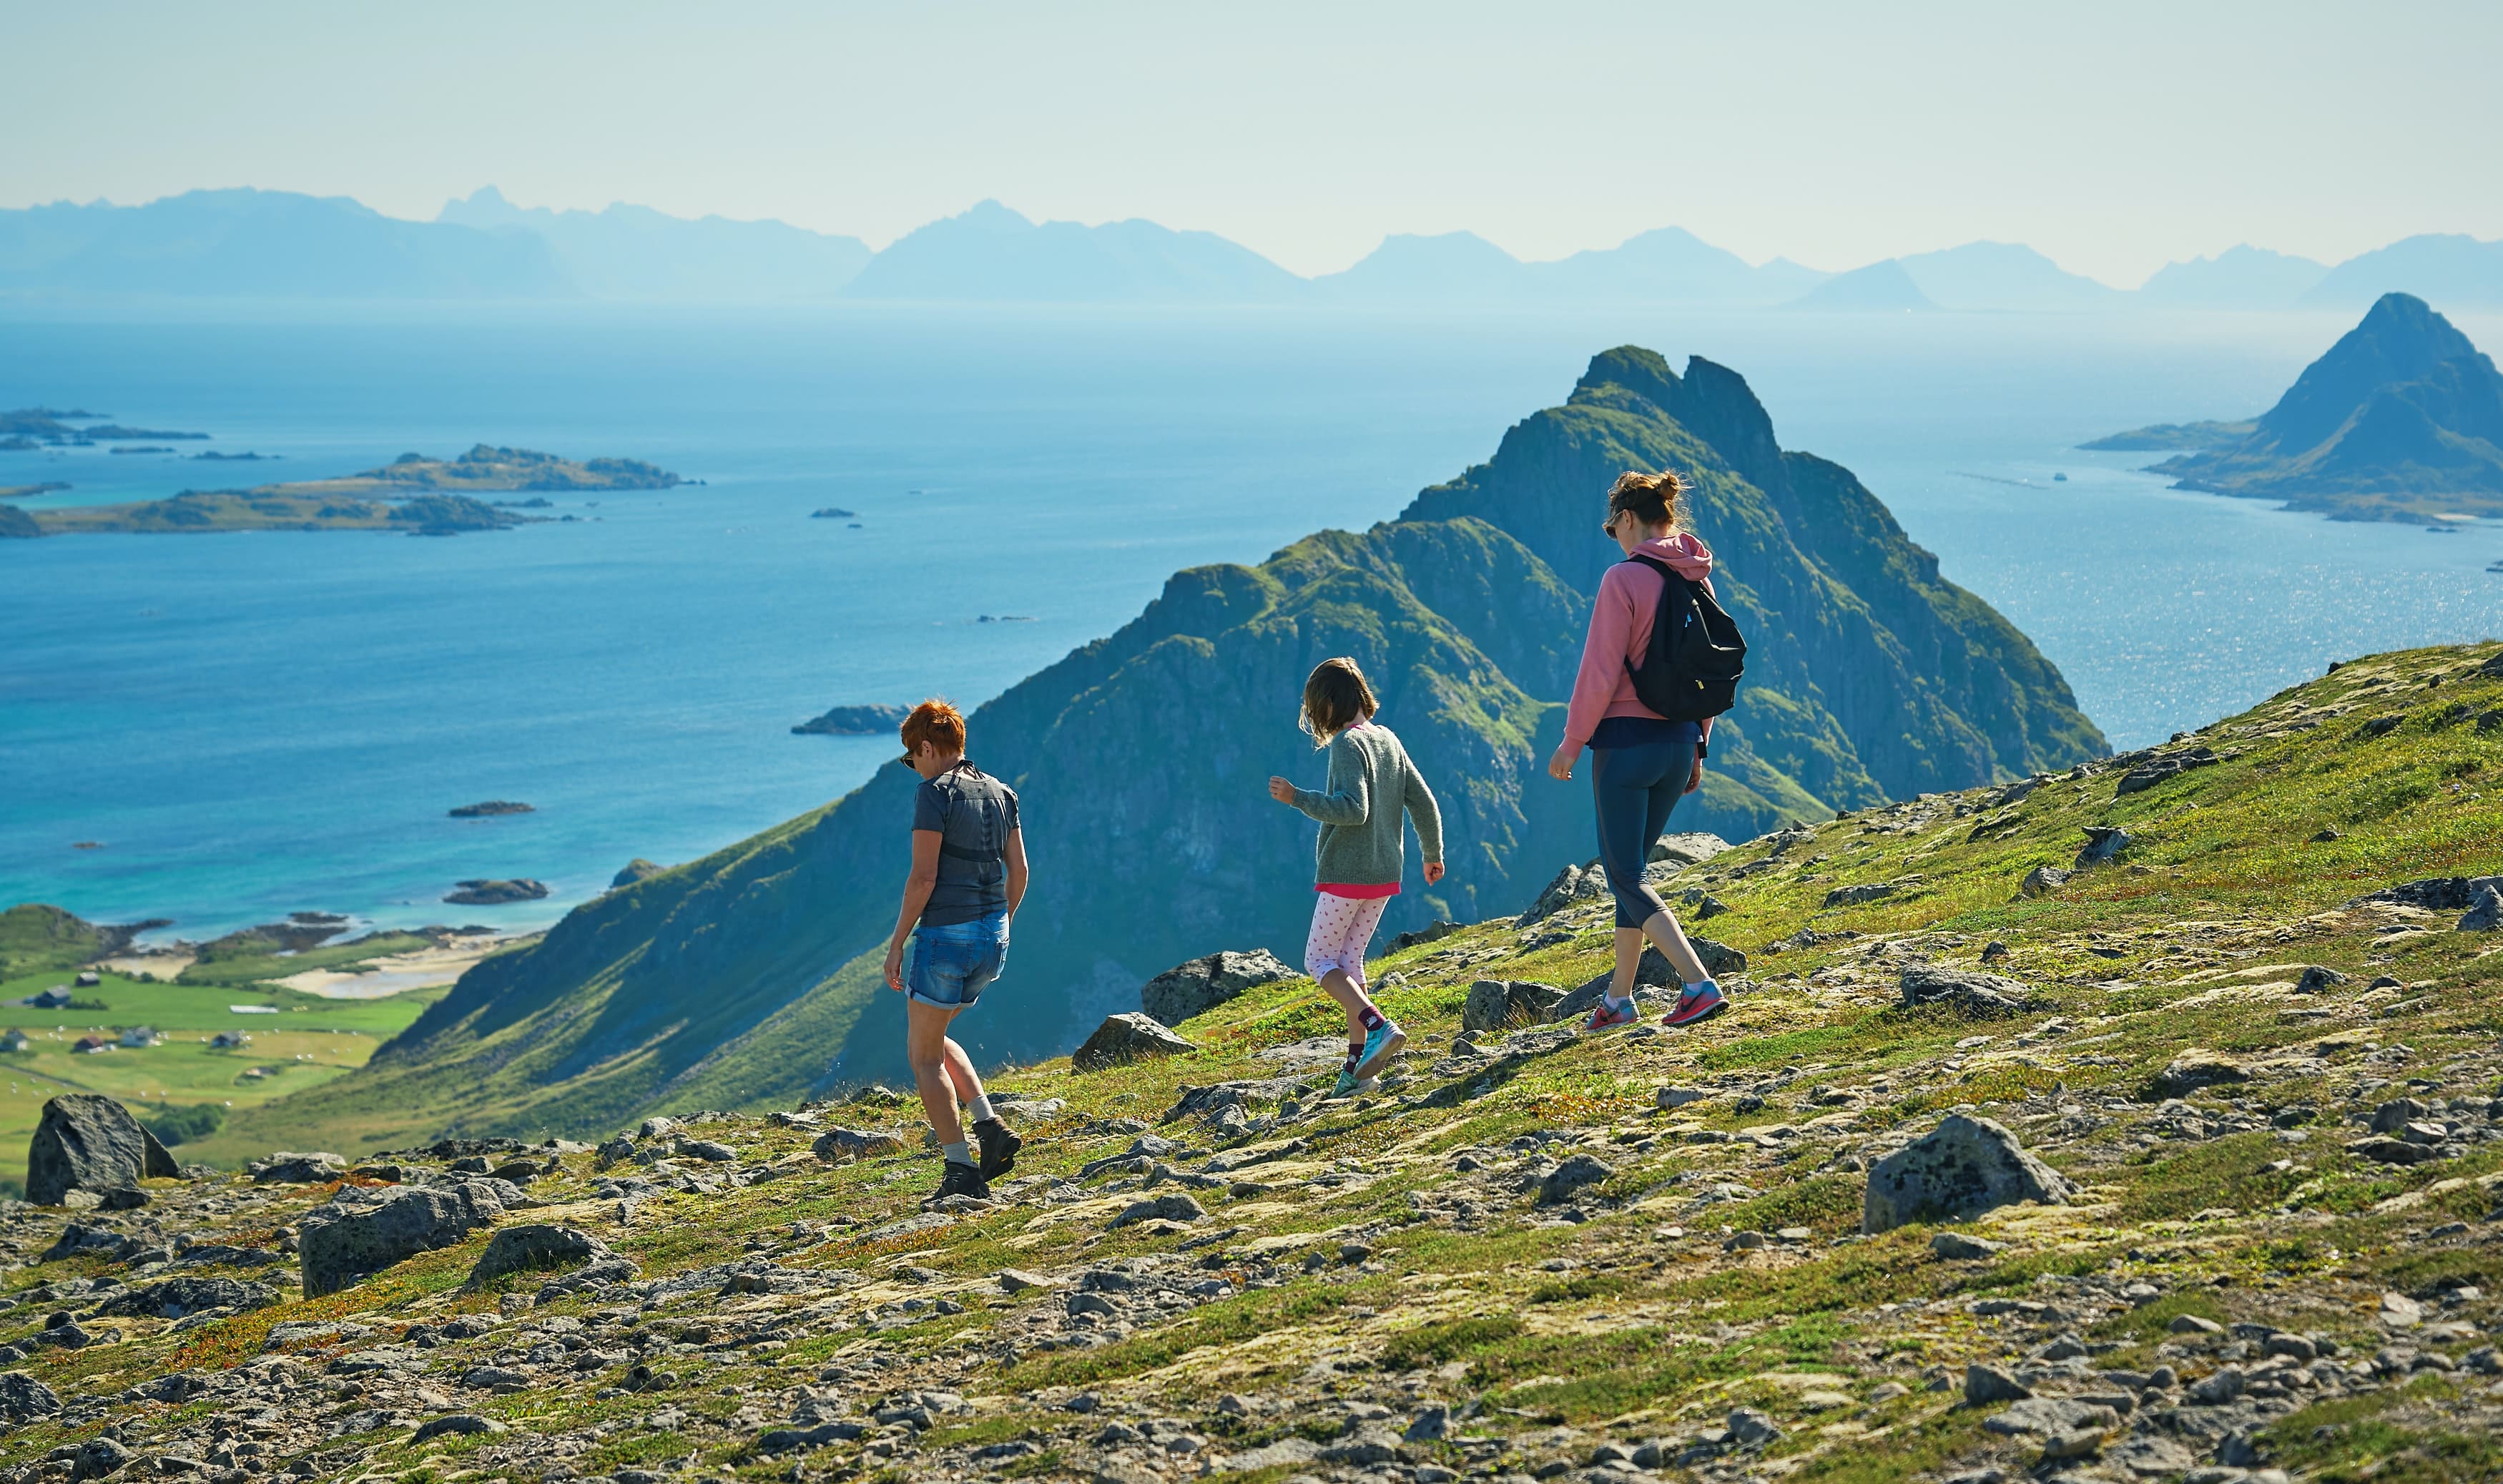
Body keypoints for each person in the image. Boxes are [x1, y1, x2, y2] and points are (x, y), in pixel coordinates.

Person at [1546, 470, 1729, 1031]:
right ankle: (1619, 997)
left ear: (1628, 519)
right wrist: (1699, 742)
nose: (1614, 537)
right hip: (1678, 746)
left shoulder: (1624, 578)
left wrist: (1572, 743)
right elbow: (1708, 669)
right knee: (1633, 872)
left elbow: (1600, 671)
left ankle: (1696, 982)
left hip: (1626, 748)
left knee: (1625, 874)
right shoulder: (1698, 578)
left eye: (1613, 527)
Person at [1267, 657, 1445, 1098]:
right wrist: (1433, 852)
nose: (1312, 718)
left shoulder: (1348, 745)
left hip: (1348, 872)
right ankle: (1356, 1072)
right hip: (1385, 874)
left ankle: (1378, 1027)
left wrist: (1297, 798)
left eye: (1313, 709)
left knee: (1318, 961)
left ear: (1330, 704)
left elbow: (1353, 809)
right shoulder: (1388, 740)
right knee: (1349, 964)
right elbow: (1422, 800)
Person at [881, 699, 1028, 1202]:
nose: (913, 767)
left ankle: (960, 1171)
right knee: (937, 1034)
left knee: (922, 1056)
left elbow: (924, 876)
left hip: (946, 936)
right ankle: (990, 1128)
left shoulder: (934, 794)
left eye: (911, 757)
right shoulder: (1002, 791)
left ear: (926, 747)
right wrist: (998, 928)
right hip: (992, 939)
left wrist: (898, 941)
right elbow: (1021, 872)